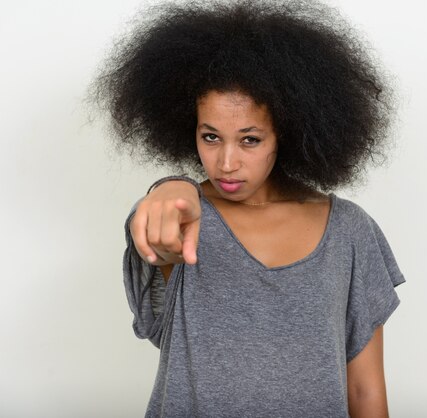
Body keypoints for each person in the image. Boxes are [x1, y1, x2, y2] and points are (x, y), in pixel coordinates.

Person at [91, 0, 405, 416]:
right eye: (211, 137)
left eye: (250, 139)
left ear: (287, 133)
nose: (226, 163)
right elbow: (160, 241)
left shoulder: (349, 231)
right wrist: (169, 187)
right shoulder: (178, 216)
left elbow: (365, 390)